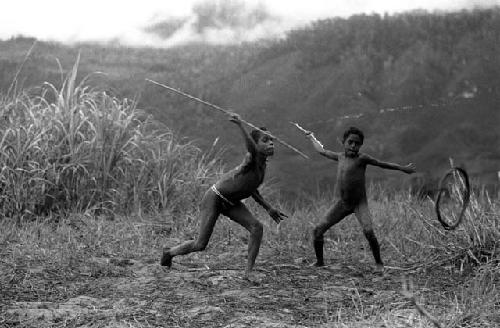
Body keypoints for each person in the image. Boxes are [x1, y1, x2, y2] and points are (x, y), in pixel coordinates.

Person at [161, 114, 287, 279]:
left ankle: (248, 273)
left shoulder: (262, 167)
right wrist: (241, 126)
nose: (271, 143)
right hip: (215, 198)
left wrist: (269, 208)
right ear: (256, 144)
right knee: (200, 244)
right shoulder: (252, 158)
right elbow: (251, 149)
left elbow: (252, 189)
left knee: (257, 228)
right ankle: (169, 253)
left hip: (232, 203)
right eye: (265, 140)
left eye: (272, 140)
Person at [304, 126, 416, 273]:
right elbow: (322, 151)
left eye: (357, 144)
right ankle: (320, 262)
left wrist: (402, 168)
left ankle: (379, 263)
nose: (353, 146)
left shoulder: (362, 158)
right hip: (343, 204)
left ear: (360, 146)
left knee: (369, 231)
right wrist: (311, 137)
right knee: (318, 230)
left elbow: (383, 164)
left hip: (359, 204)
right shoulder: (340, 157)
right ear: (343, 142)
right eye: (350, 142)